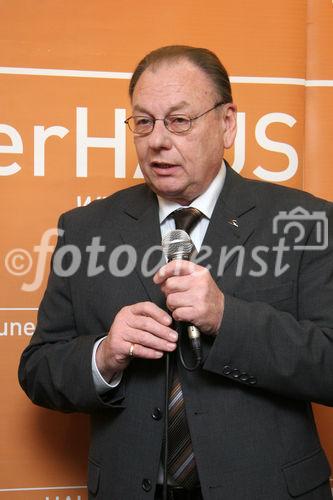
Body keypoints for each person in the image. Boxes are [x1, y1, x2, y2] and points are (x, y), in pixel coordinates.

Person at [19, 45, 333, 500]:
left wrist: (227, 317)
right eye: (143, 122)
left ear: (227, 124)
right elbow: (38, 368)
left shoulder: (306, 221)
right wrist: (104, 355)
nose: (157, 140)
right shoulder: (85, 229)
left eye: (179, 121)